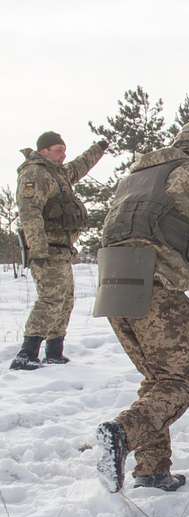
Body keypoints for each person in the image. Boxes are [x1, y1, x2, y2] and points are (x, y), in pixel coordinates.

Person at [93, 120, 189, 492]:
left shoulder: (134, 175)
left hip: (113, 285)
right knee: (180, 382)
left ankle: (152, 469)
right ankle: (121, 433)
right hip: (156, 287)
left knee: (157, 381)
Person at [9, 131, 108, 370]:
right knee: (51, 299)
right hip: (47, 250)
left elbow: (80, 165)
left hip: (63, 250)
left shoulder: (58, 173)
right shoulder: (35, 173)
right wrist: (39, 250)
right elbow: (30, 214)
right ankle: (26, 354)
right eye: (58, 150)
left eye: (64, 150)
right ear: (43, 151)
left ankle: (54, 352)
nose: (64, 155)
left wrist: (100, 147)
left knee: (65, 301)